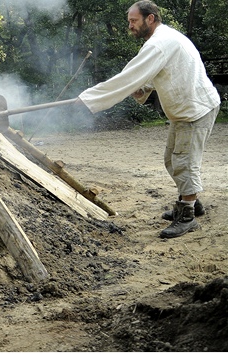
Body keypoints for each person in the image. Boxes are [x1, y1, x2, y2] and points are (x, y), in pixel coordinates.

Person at [77, 0, 220, 238]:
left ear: (150, 18)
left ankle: (187, 216)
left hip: (196, 110)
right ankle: (192, 202)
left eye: (133, 21)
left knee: (184, 162)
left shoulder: (159, 44)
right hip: (187, 110)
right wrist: (142, 88)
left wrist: (87, 99)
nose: (130, 26)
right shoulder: (164, 40)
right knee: (171, 160)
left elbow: (127, 77)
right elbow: (161, 73)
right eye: (129, 22)